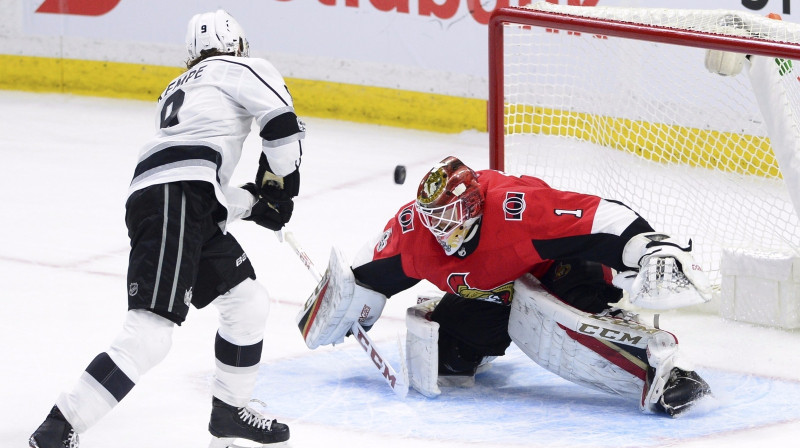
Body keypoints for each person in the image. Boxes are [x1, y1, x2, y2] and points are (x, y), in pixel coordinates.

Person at [29, 10, 303, 448]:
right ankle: (59, 427)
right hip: (176, 199)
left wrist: (253, 202)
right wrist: (283, 186)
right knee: (150, 332)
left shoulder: (178, 88)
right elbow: (281, 125)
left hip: (172, 198)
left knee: (247, 302)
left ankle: (229, 414)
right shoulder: (244, 67)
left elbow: (200, 183)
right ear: (237, 45)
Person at [296, 156, 713, 417]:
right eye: (433, 217)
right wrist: (344, 305)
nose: (440, 227)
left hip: (562, 267)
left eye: (450, 215)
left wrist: (648, 248)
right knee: (447, 358)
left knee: (563, 322)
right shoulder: (416, 233)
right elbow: (369, 273)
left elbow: (602, 216)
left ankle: (667, 371)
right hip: (496, 289)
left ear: (474, 205)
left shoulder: (519, 210)